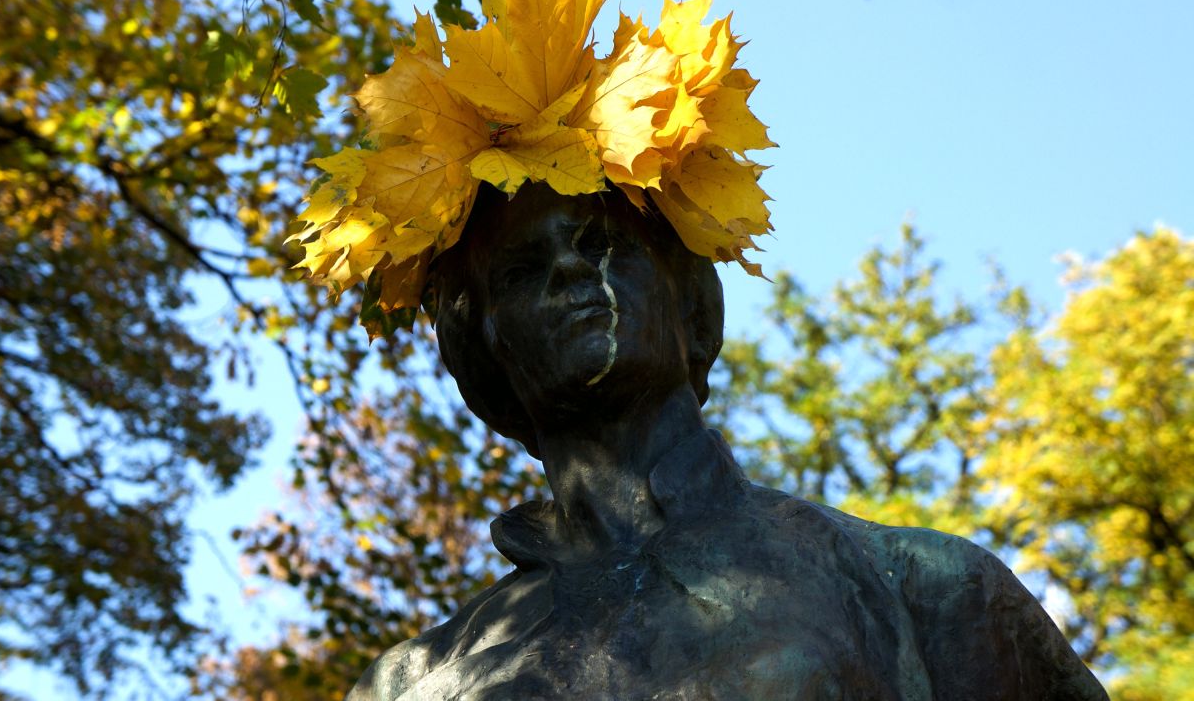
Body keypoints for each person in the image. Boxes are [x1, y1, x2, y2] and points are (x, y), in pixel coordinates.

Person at [344, 182, 1109, 701]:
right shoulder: (411, 683)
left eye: (604, 242)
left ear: (688, 296)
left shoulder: (926, 585)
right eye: (520, 270)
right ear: (486, 351)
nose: (571, 269)